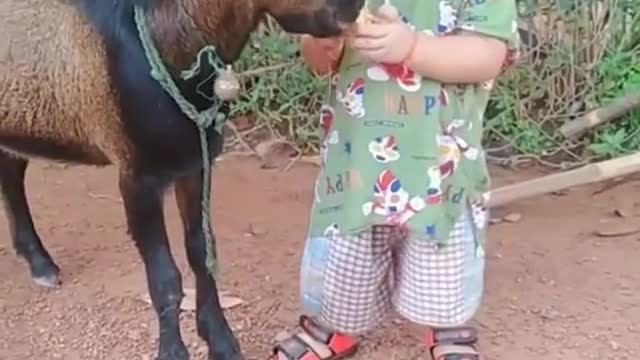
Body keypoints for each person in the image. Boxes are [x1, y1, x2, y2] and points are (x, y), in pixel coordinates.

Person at [272, 0, 519, 359]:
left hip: (440, 165)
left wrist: (414, 48)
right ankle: (337, 325)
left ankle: (446, 326)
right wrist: (325, 45)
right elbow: (318, 59)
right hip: (356, 165)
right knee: (347, 252)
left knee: (441, 255)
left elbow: (488, 54)